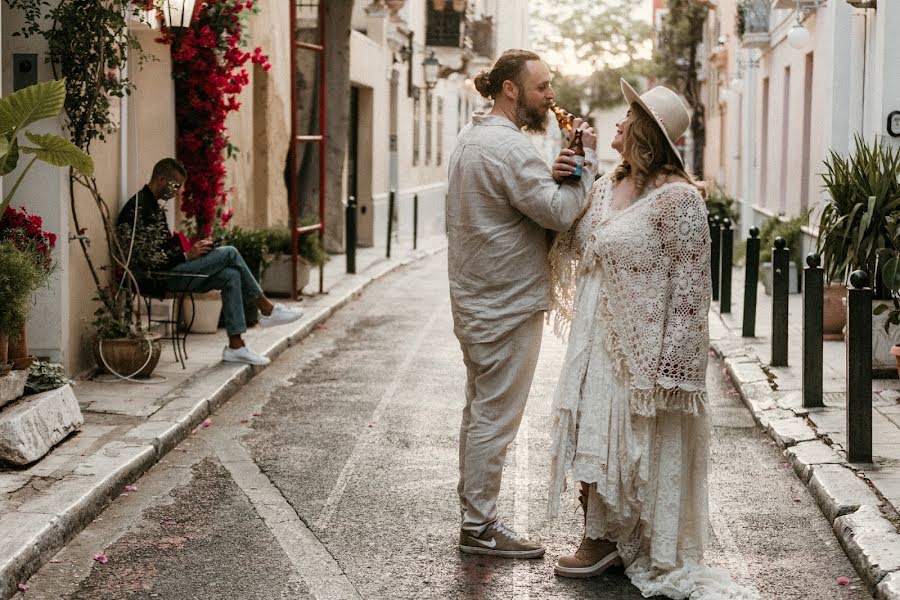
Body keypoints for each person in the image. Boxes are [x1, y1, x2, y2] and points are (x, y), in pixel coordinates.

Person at [545, 80, 758, 598]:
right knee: (588, 432)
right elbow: (572, 241)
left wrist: (675, 371)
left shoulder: (679, 199)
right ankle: (605, 533)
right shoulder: (605, 186)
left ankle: (607, 539)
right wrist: (573, 169)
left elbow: (691, 288)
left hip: (638, 349)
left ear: (644, 132)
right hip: (593, 337)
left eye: (627, 116)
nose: (616, 122)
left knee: (626, 442)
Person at [447, 49, 597, 558]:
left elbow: (520, 199)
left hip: (475, 298)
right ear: (510, 89)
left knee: (479, 410)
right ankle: (479, 527)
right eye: (543, 86)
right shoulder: (509, 148)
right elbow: (556, 213)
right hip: (505, 303)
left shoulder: (474, 136)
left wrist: (556, 170)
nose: (551, 95)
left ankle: (474, 515)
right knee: (496, 417)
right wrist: (584, 168)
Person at [117, 158, 303, 367]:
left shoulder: (154, 206)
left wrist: (192, 249)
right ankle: (267, 309)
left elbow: (163, 251)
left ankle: (236, 346)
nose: (178, 192)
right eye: (176, 186)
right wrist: (188, 255)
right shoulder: (139, 208)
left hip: (171, 272)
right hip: (158, 279)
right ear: (161, 179)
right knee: (230, 253)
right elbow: (148, 261)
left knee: (231, 276)